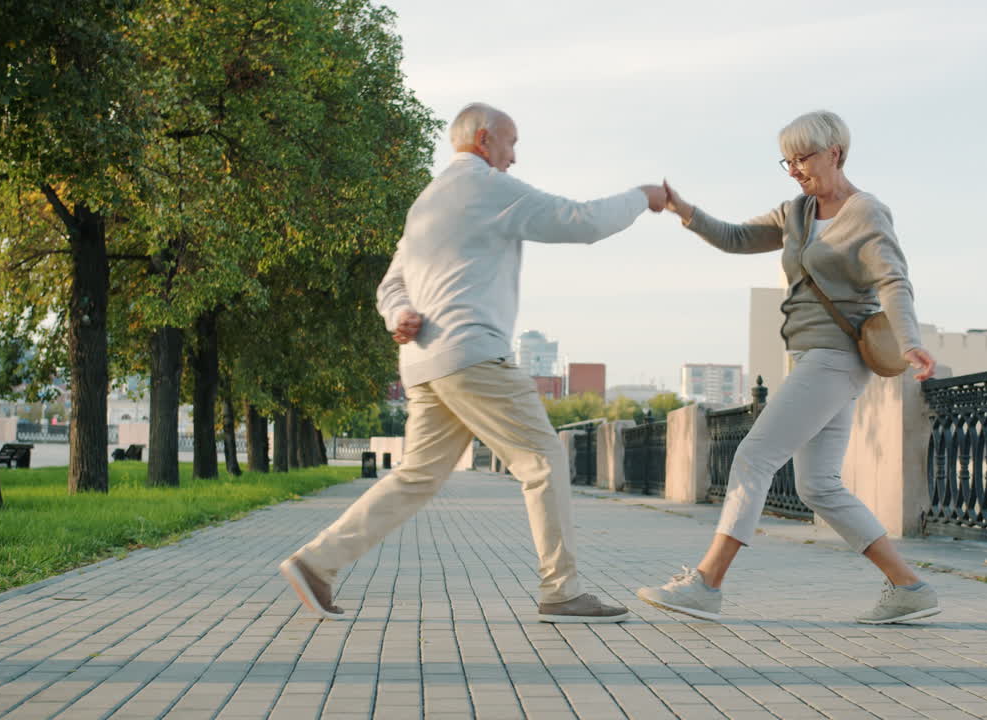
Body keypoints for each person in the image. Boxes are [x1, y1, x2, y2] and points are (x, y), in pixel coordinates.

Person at [281, 102, 667, 623]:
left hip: (423, 363)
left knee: (417, 475)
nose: (514, 156)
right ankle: (562, 590)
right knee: (543, 459)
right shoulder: (488, 187)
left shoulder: (426, 203)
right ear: (484, 139)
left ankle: (316, 562)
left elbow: (392, 282)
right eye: (511, 142)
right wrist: (641, 196)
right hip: (473, 354)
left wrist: (399, 313)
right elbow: (584, 221)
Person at [636, 110, 941, 625]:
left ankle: (707, 584)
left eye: (804, 158)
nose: (796, 169)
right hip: (809, 356)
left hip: (837, 356)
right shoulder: (797, 213)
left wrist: (910, 342)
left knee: (754, 456)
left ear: (835, 153)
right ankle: (909, 586)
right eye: (788, 160)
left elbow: (893, 280)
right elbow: (735, 237)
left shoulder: (866, 213)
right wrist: (682, 208)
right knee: (818, 485)